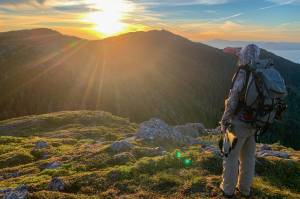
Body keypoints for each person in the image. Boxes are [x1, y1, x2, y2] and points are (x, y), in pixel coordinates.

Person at [219, 44, 261, 198]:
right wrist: (235, 50)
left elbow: (232, 100)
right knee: (248, 159)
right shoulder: (259, 71)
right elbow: (248, 53)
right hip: (254, 125)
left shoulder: (243, 73)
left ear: (244, 56)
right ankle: (244, 190)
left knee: (230, 157)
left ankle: (227, 190)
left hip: (237, 125)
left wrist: (224, 121)